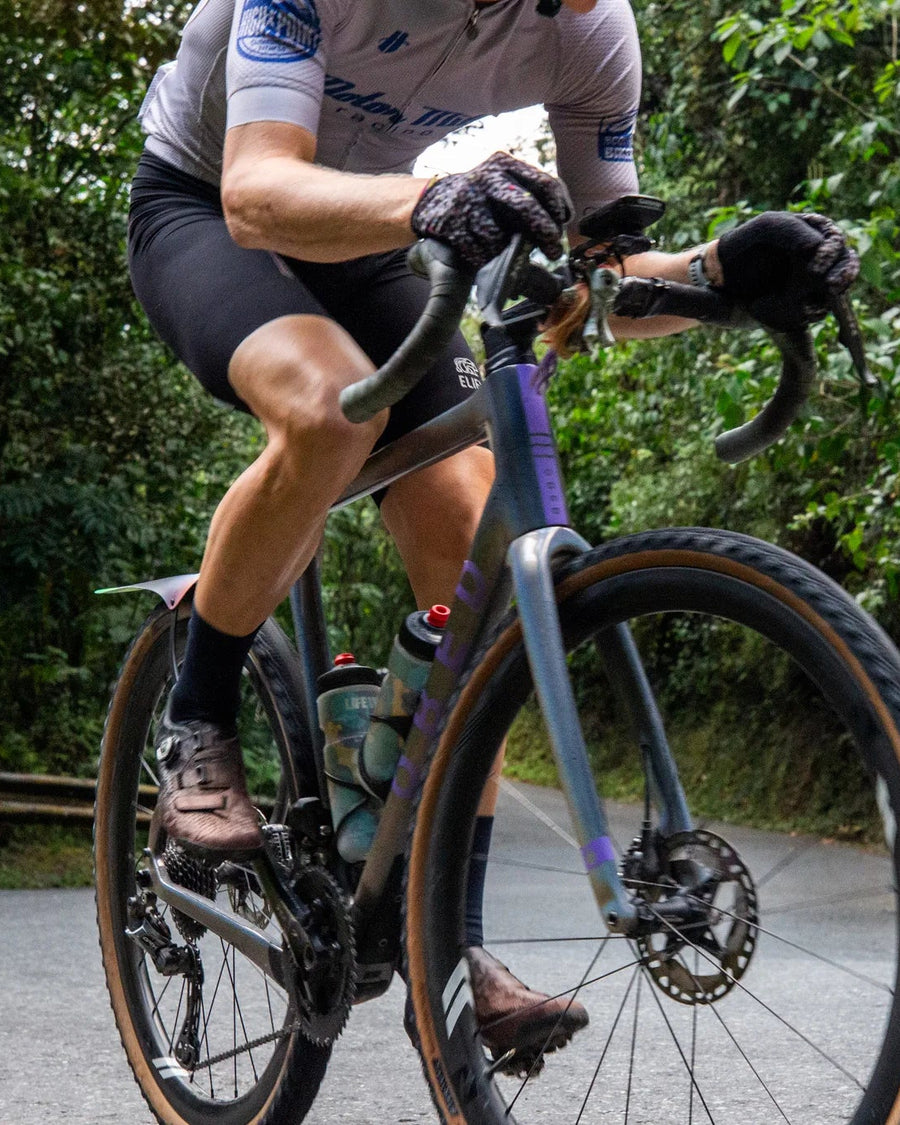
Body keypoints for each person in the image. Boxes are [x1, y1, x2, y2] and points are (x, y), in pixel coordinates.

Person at [129, 0, 858, 1067]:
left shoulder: (592, 32)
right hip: (209, 207)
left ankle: (448, 954)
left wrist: (718, 273)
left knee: (470, 532)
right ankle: (195, 723)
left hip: (378, 240)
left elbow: (595, 290)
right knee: (336, 410)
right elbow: (257, 193)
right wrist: (433, 198)